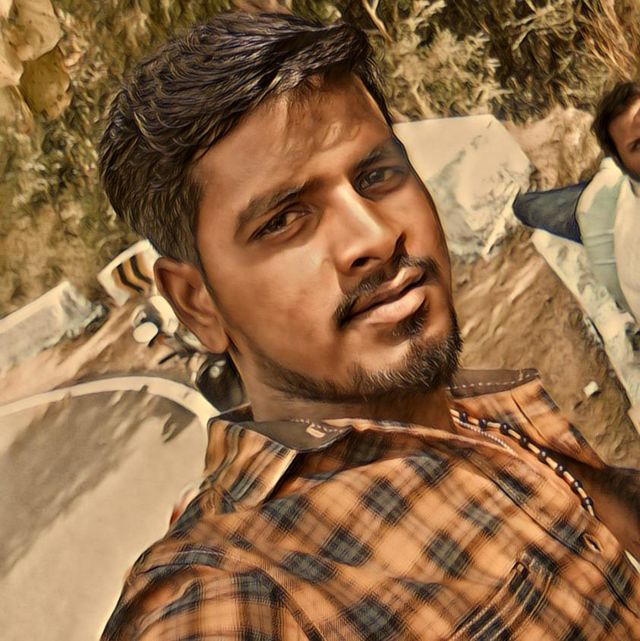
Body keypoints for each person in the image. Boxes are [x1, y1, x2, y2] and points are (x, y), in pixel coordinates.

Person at [98, 12, 640, 640]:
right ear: (198, 304)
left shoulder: (485, 411)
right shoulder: (240, 592)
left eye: (376, 175)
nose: (376, 236)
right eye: (283, 220)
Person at [513, 81, 640, 321]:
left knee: (530, 208)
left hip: (592, 216)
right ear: (625, 168)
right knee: (527, 207)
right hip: (601, 202)